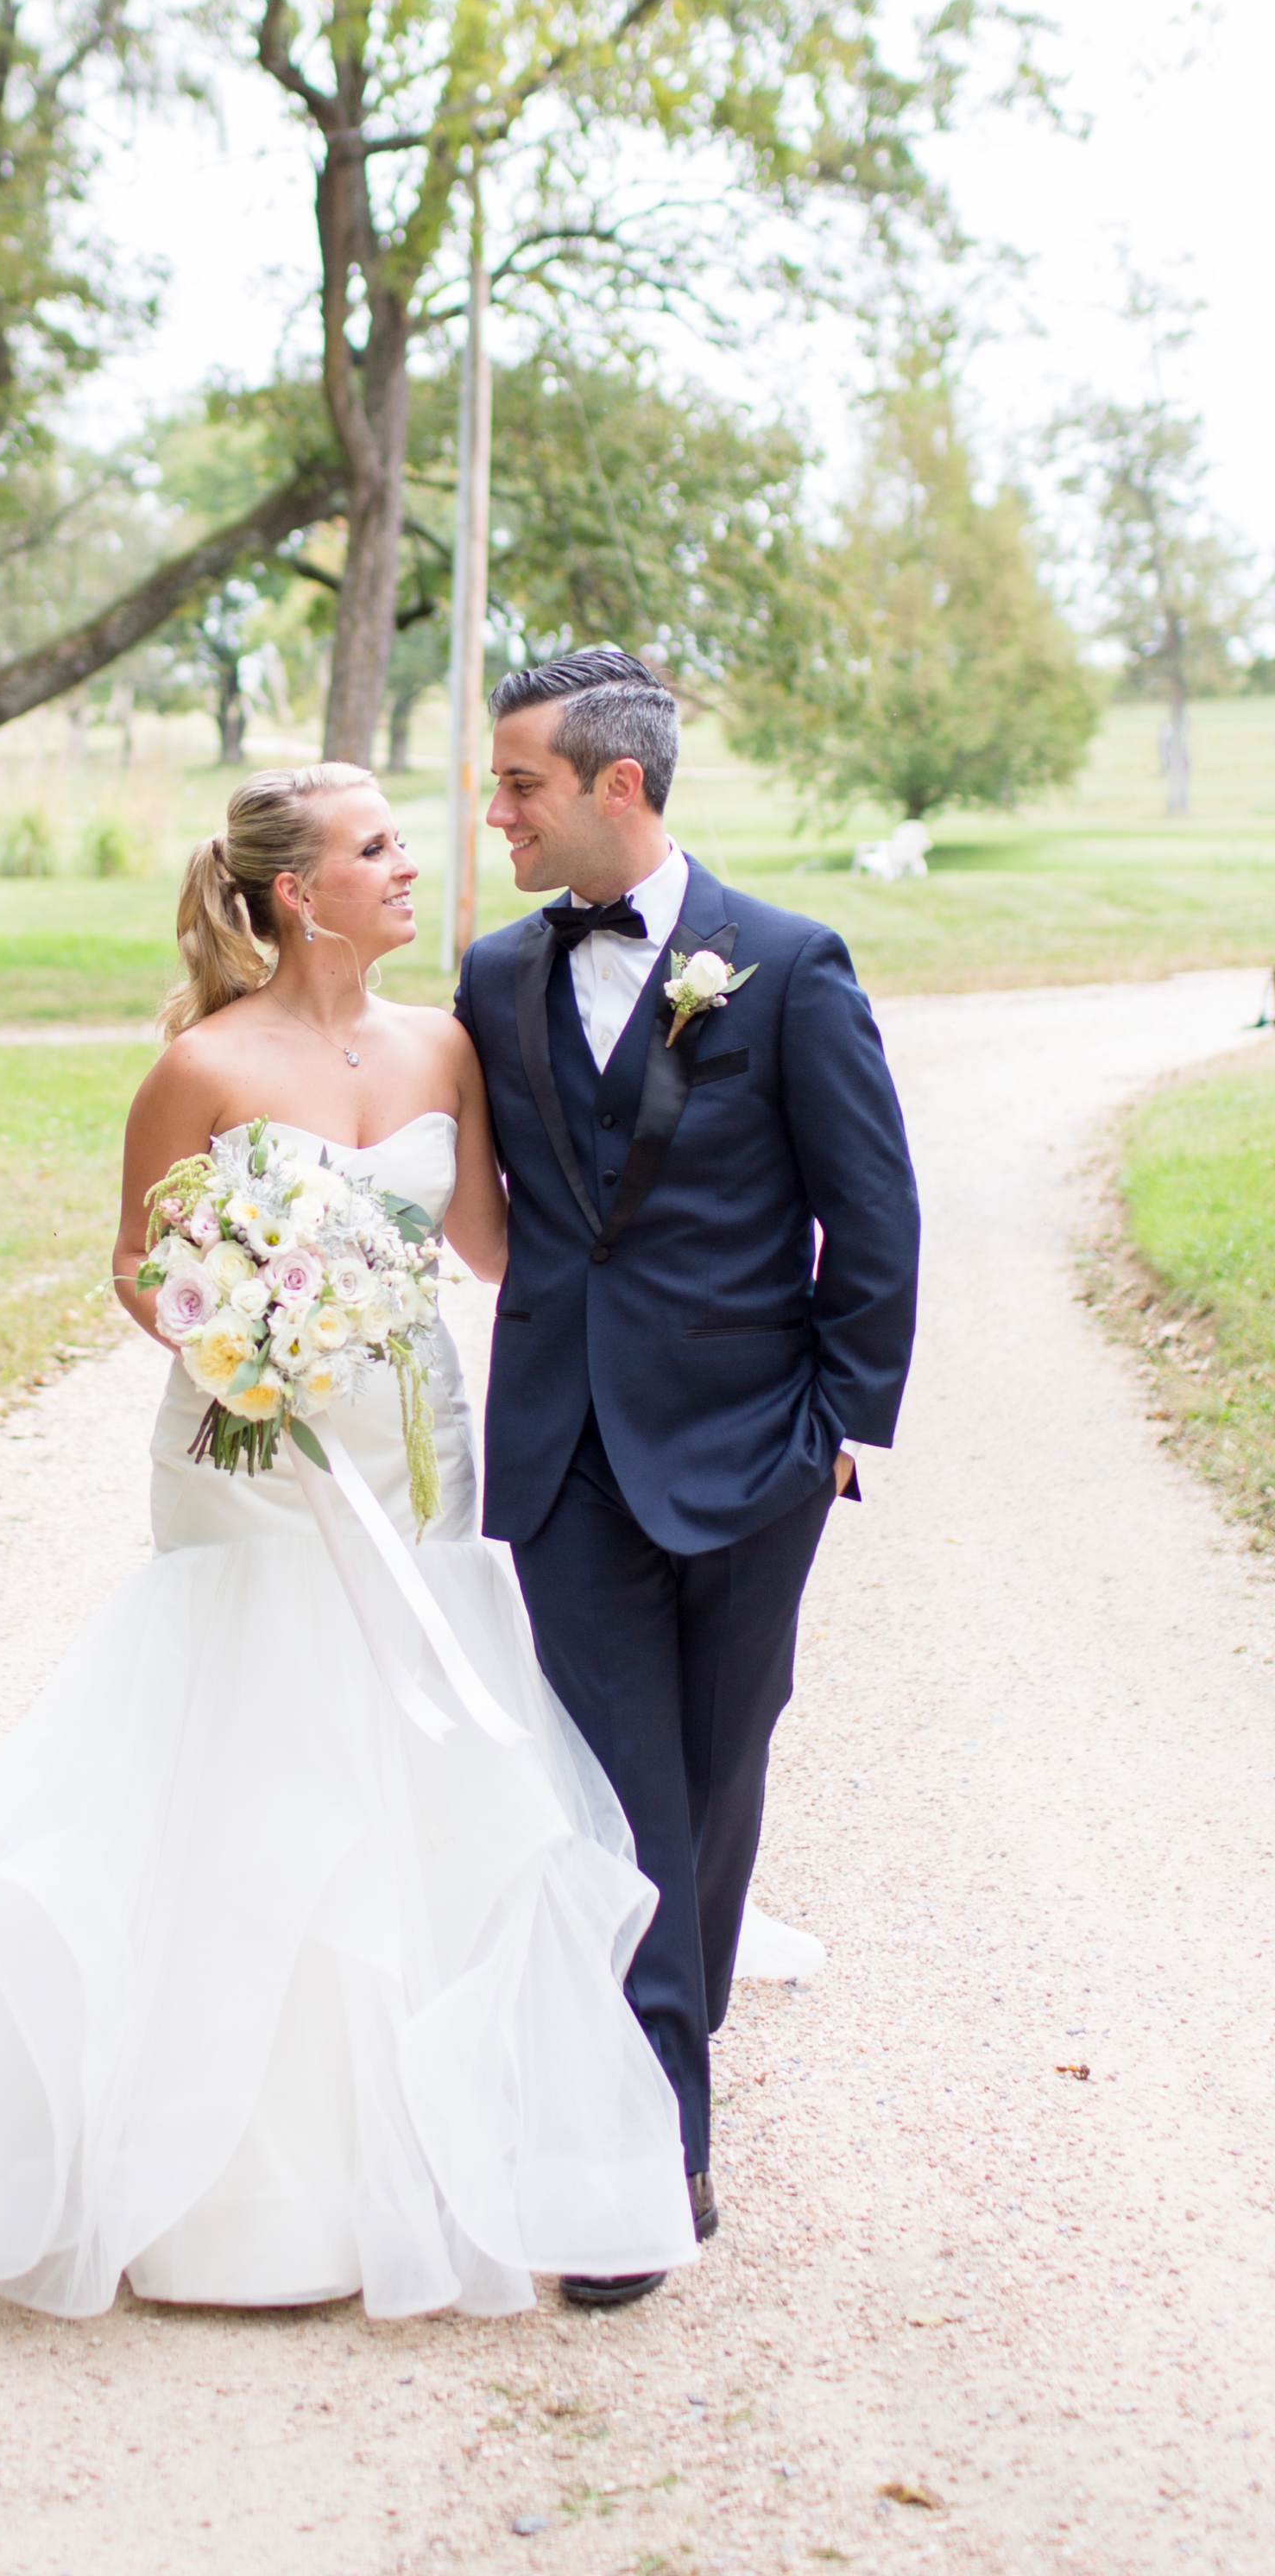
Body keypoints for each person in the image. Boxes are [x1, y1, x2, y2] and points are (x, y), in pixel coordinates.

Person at [0, 762, 699, 2322]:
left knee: (417, 1723)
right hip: (253, 1455)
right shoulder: (199, 1068)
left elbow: (482, 1242)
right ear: (298, 892)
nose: (413, 866)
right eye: (378, 849)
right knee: (264, 1735)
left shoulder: (444, 1044)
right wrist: (256, 1329)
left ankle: (439, 2094)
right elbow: (142, 1275)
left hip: (412, 1447)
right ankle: (242, 2165)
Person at [455, 649, 920, 2307]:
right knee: (623, 1790)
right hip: (565, 1451)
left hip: (752, 1450)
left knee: (721, 1773)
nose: (492, 811)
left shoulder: (787, 966)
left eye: (517, 784)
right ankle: (655, 2146)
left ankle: (680, 2025)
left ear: (617, 789)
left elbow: (872, 1214)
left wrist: (839, 1430)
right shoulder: (492, 975)